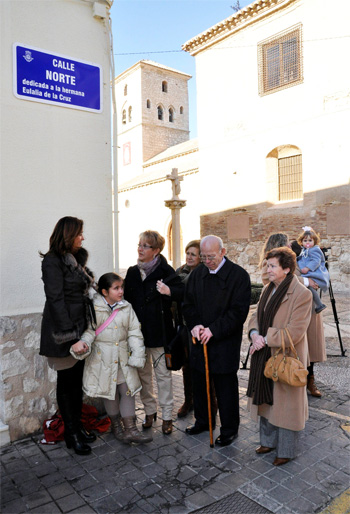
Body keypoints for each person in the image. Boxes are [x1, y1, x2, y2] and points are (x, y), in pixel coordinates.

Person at [183, 235, 251, 446]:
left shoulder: (239, 276)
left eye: (211, 256)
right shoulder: (198, 274)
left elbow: (238, 312)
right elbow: (188, 304)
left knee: (225, 388)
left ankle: (229, 429)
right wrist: (194, 325)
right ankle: (203, 421)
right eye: (203, 257)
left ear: (222, 252)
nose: (207, 261)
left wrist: (213, 330)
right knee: (200, 384)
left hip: (224, 342)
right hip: (200, 340)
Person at [247, 247, 312, 466]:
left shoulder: (302, 294)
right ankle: (268, 441)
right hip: (264, 355)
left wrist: (264, 339)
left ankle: (286, 450)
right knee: (266, 401)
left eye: (273, 265)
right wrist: (254, 334)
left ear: (286, 268)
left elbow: (296, 332)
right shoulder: (267, 289)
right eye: (267, 264)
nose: (268, 269)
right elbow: (256, 316)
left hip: (286, 358)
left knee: (286, 407)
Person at [70, 273, 152, 445]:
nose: (121, 291)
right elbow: (90, 331)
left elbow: (134, 332)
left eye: (121, 287)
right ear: (104, 292)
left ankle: (130, 429)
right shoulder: (94, 308)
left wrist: (137, 355)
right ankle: (117, 427)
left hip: (123, 358)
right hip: (103, 359)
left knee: (128, 390)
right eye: (116, 288)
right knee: (110, 394)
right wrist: (83, 343)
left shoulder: (126, 307)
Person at [39, 216, 97, 455]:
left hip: (80, 328)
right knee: (66, 383)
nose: (83, 237)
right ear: (68, 234)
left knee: (76, 383)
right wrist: (71, 336)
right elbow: (55, 299)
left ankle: (77, 427)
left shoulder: (75, 260)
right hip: (63, 332)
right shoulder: (52, 261)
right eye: (79, 233)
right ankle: (71, 433)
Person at [124, 230, 184, 435]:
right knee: (143, 376)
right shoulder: (132, 272)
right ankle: (150, 411)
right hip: (138, 335)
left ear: (156, 250)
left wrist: (168, 292)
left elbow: (180, 292)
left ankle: (167, 415)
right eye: (139, 245)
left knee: (163, 376)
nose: (140, 249)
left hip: (159, 332)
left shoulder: (166, 271)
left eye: (145, 246)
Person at [260, 233, 327, 398]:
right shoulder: (269, 263)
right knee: (292, 348)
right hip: (287, 312)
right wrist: (305, 282)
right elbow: (271, 281)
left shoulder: (293, 259)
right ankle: (290, 376)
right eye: (287, 245)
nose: (291, 247)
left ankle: (309, 380)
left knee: (310, 348)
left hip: (309, 309)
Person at [297, 226, 329, 314]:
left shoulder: (315, 250)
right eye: (305, 240)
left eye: (310, 240)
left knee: (310, 287)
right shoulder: (305, 250)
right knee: (308, 287)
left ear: (314, 241)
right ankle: (313, 304)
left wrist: (307, 268)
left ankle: (319, 304)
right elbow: (302, 258)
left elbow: (316, 261)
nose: (307, 242)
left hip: (315, 273)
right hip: (309, 273)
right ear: (301, 242)